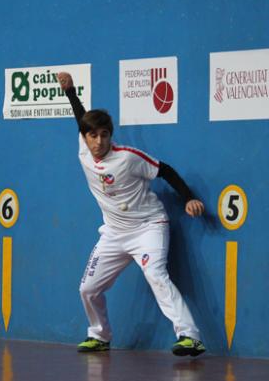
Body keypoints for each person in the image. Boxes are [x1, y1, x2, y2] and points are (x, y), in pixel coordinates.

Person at [58, 72, 206, 357]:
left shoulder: (128, 157)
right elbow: (80, 118)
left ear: (110, 136)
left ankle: (190, 336)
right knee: (87, 289)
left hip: (148, 226)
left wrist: (188, 198)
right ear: (84, 137)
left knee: (156, 274)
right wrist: (70, 92)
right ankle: (99, 336)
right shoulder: (84, 151)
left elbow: (165, 171)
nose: (99, 141)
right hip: (114, 233)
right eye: (93, 135)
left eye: (104, 135)